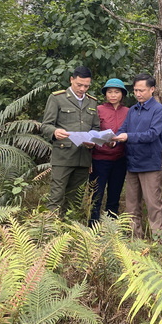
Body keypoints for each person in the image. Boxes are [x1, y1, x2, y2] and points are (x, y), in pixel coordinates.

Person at [113, 73, 162, 240]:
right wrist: (114, 139)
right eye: (135, 90)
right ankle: (134, 238)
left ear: (152, 89)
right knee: (131, 205)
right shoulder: (132, 110)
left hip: (150, 164)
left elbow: (151, 134)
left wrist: (128, 137)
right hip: (132, 163)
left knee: (153, 205)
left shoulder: (158, 110)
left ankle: (158, 240)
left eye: (142, 90)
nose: (138, 93)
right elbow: (124, 129)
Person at [41, 66, 100, 215]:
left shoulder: (92, 102)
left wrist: (93, 140)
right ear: (71, 80)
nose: (82, 88)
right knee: (56, 196)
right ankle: (50, 232)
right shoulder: (57, 98)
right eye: (79, 84)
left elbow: (96, 128)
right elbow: (45, 126)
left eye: (86, 86)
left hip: (83, 158)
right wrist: (54, 132)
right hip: (63, 156)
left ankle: (68, 231)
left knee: (75, 199)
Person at [89, 78, 129, 225]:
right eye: (109, 92)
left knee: (114, 195)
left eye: (116, 92)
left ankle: (111, 228)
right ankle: (92, 227)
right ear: (105, 94)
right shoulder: (98, 110)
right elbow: (92, 132)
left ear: (122, 94)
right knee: (96, 195)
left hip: (120, 159)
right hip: (100, 159)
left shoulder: (128, 112)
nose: (113, 95)